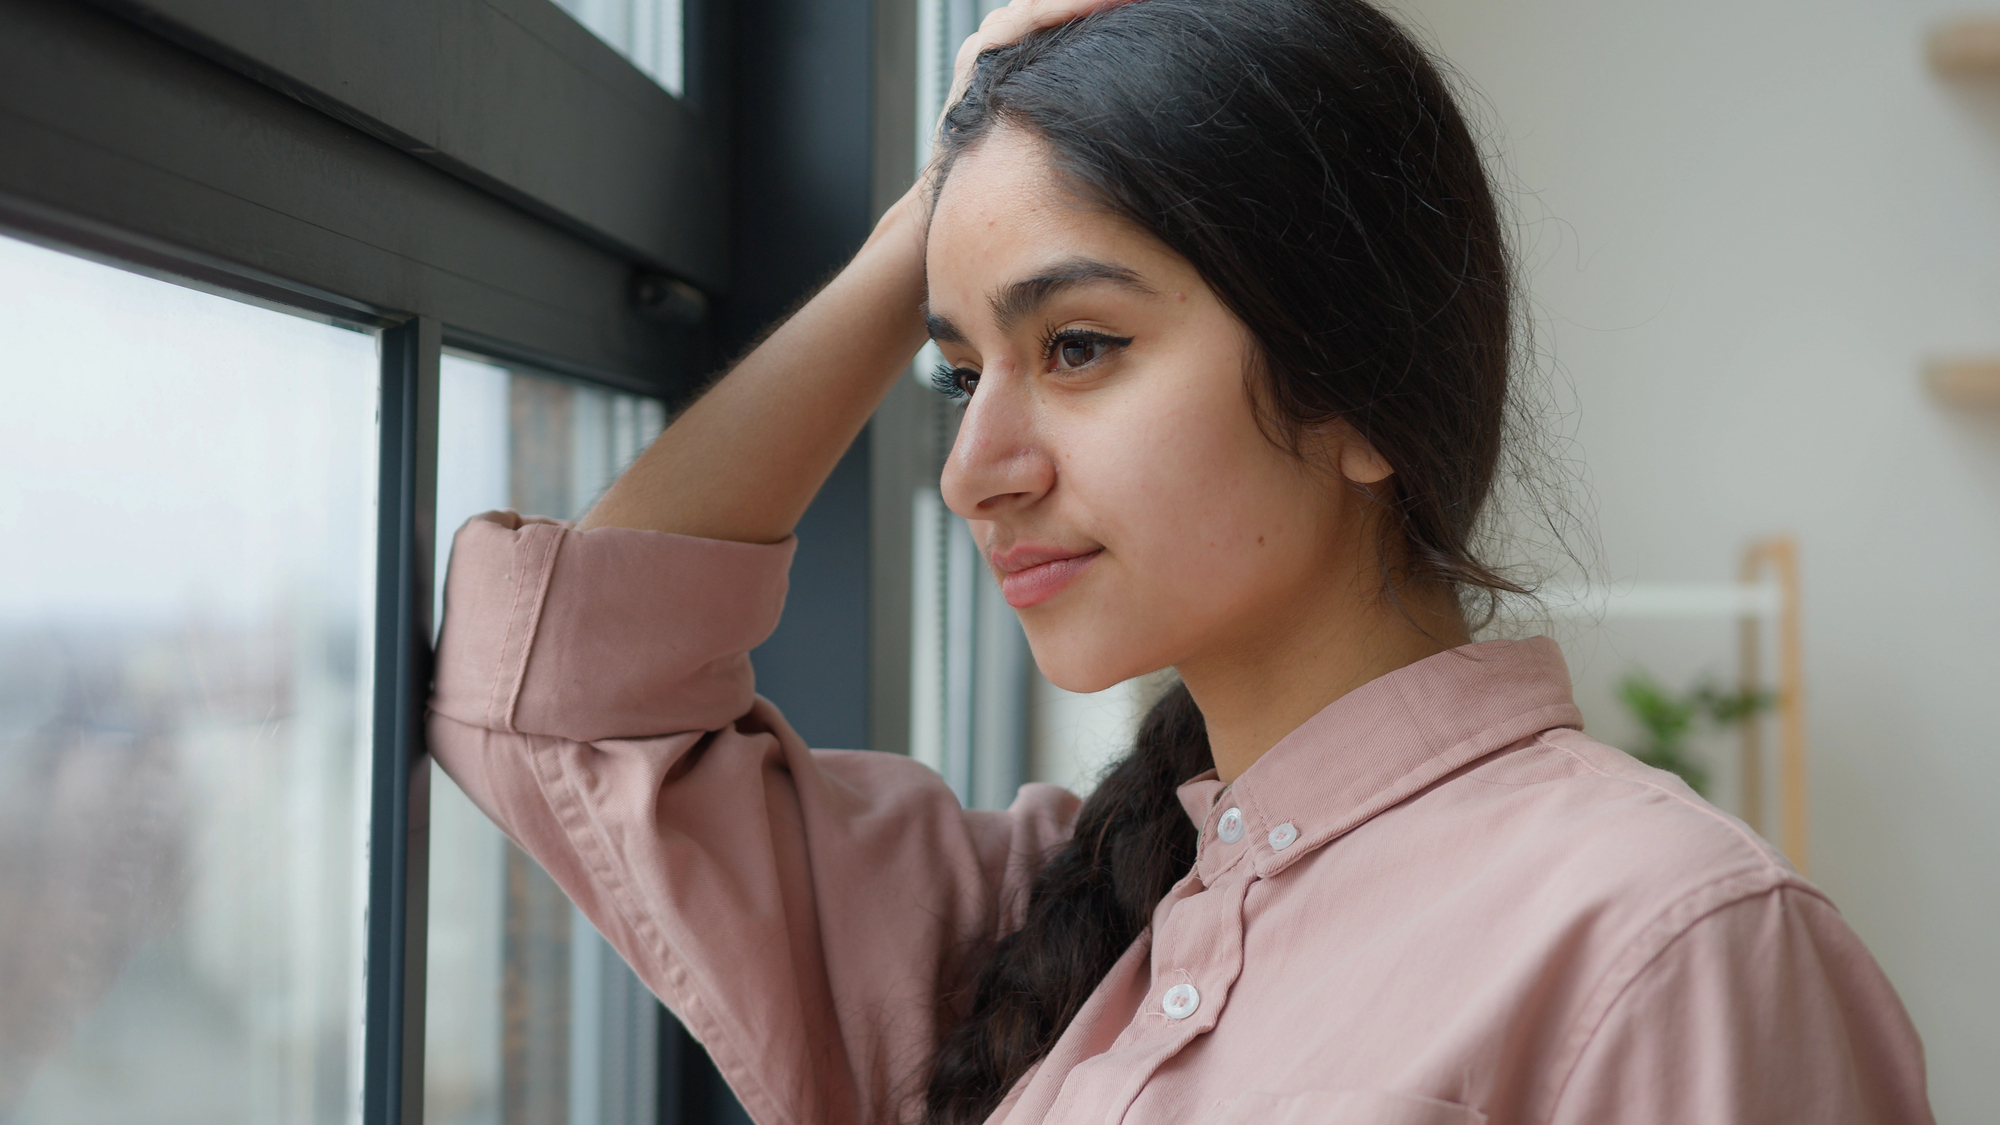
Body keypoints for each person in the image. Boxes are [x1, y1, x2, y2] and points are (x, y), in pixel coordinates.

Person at [427, 0, 1934, 1121]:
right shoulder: (1040, 915)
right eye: (962, 373)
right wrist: (929, 216)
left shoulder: (1666, 947)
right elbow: (558, 692)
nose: (971, 468)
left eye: (1078, 346)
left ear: (1358, 387)